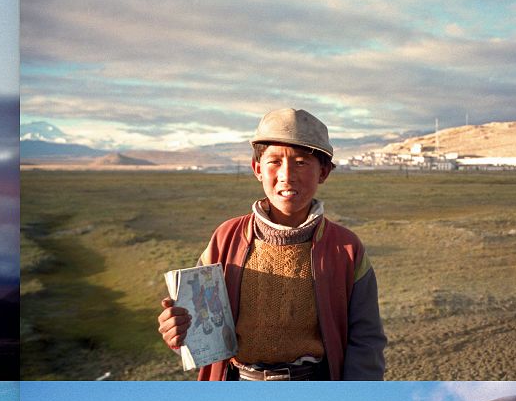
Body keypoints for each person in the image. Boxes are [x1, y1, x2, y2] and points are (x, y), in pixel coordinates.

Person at [157, 107, 386, 381]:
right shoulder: (226, 237)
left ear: (323, 172)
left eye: (301, 162)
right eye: (274, 161)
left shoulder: (347, 249)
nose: (287, 175)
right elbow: (199, 327)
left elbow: (367, 340)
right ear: (257, 169)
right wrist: (179, 331)